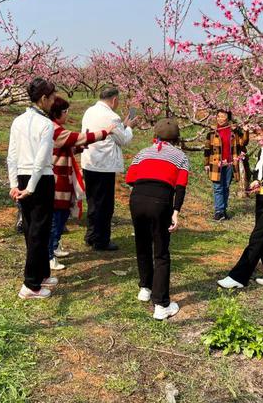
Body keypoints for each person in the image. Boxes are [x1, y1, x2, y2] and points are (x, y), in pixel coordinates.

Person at [126, 118, 189, 320]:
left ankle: (145, 287)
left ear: (156, 136)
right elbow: (180, 187)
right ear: (177, 139)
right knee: (161, 253)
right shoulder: (180, 157)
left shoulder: (143, 153)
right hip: (160, 201)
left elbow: (130, 179)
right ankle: (161, 305)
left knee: (142, 244)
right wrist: (175, 211)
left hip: (137, 198)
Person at [217, 124, 263, 289]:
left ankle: (238, 277)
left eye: (259, 134)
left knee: (258, 237)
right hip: (262, 198)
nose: (256, 138)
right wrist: (257, 182)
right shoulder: (262, 152)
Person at [48, 96, 113, 270]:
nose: (67, 114)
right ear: (56, 113)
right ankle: (49, 254)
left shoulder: (57, 129)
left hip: (63, 180)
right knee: (55, 219)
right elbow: (77, 138)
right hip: (57, 182)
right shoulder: (53, 129)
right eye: (65, 111)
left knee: (61, 216)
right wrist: (105, 132)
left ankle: (54, 246)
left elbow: (68, 146)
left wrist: (77, 147)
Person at [7, 77, 58, 299]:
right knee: (39, 230)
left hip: (22, 175)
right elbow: (41, 159)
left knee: (32, 228)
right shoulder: (46, 124)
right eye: (52, 97)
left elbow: (12, 156)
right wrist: (31, 187)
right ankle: (31, 284)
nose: (54, 101)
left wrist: (14, 184)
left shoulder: (18, 120)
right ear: (44, 98)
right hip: (40, 179)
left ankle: (42, 273)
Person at [81, 87, 136, 251]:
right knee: (105, 205)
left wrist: (122, 125)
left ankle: (91, 235)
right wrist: (130, 126)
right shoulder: (112, 116)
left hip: (89, 161)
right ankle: (102, 240)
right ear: (113, 100)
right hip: (104, 165)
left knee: (92, 201)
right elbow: (123, 139)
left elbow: (115, 133)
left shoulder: (89, 111)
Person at [204, 109, 246, 221]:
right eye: (219, 116)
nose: (220, 119)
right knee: (218, 187)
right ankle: (219, 211)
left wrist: (244, 131)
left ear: (228, 118)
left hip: (229, 163)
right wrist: (206, 163)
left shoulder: (233, 131)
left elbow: (243, 143)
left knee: (226, 187)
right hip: (216, 163)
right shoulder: (212, 131)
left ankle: (223, 210)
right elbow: (207, 148)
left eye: (223, 116)